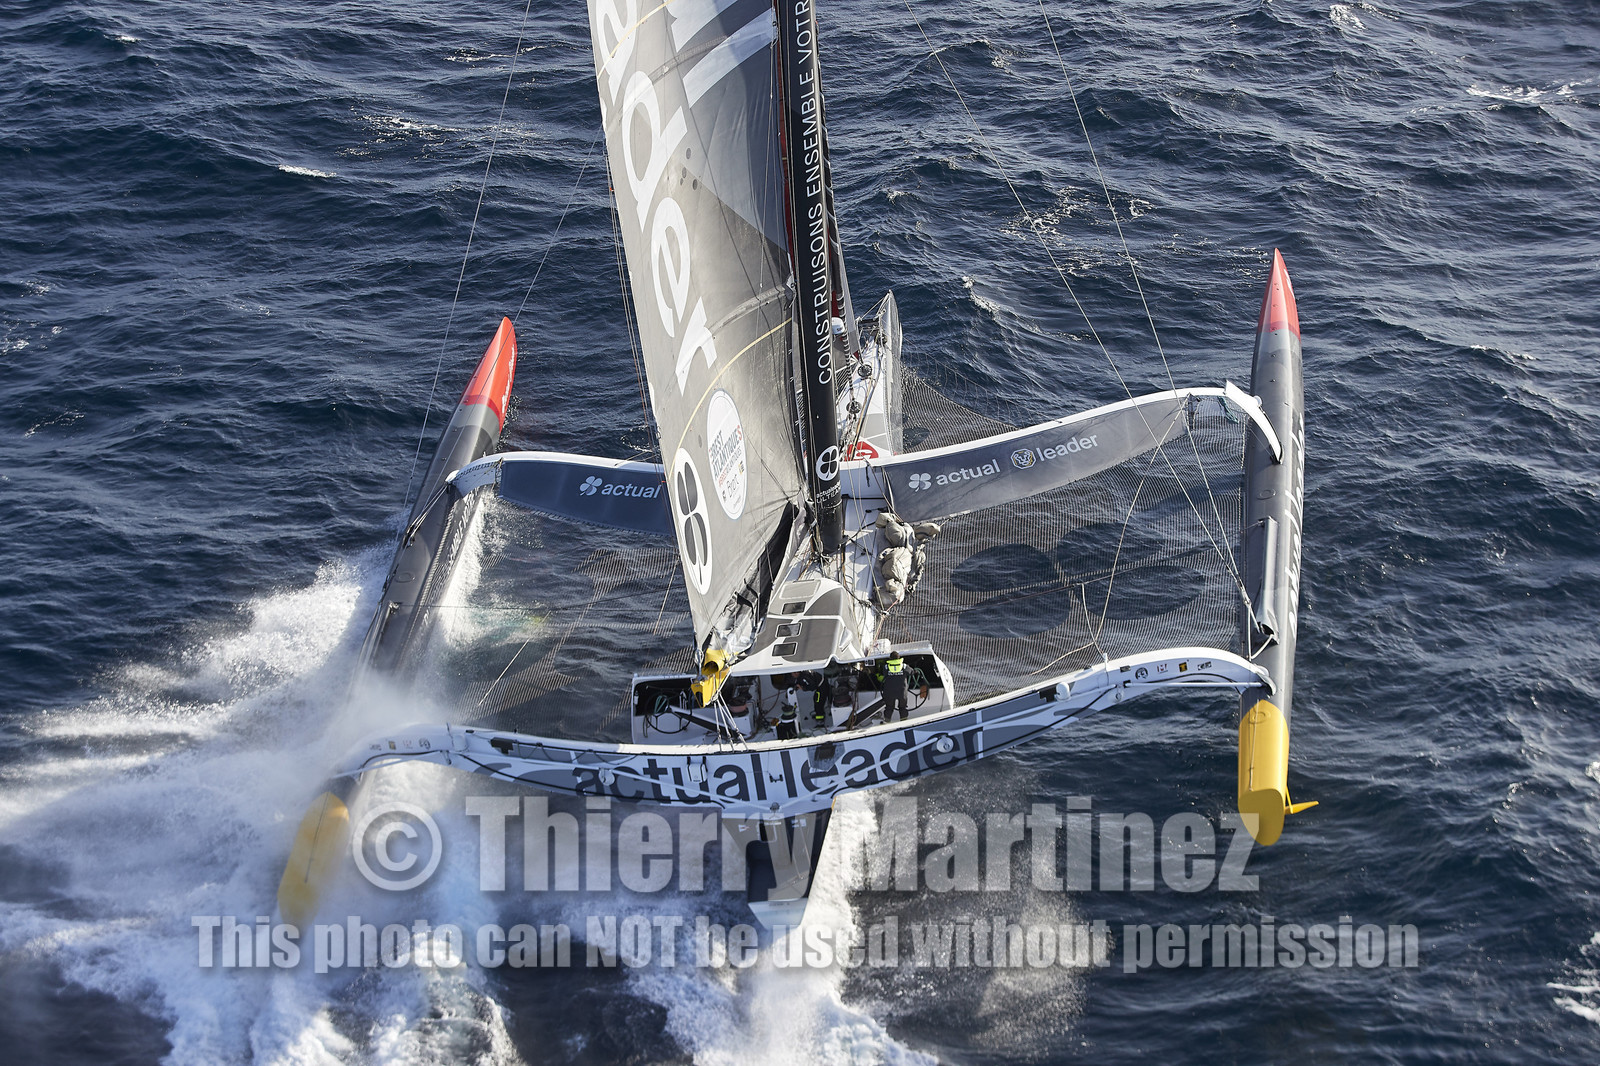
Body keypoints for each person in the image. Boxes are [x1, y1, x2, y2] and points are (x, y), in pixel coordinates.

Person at [880, 653, 907, 722]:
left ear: (890, 658)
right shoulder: (904, 666)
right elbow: (912, 672)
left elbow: (883, 674)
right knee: (903, 708)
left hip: (889, 692)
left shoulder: (886, 667)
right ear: (899, 658)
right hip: (901, 692)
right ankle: (904, 723)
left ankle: (887, 722)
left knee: (889, 708)